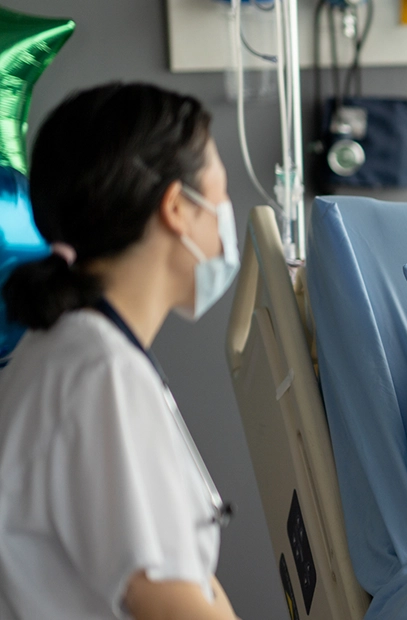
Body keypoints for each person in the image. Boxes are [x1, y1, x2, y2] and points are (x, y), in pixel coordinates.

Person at [0, 83, 241, 619]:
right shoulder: (99, 373)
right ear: (177, 208)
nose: (227, 217)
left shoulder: (75, 347)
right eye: (221, 194)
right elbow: (166, 601)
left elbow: (189, 580)